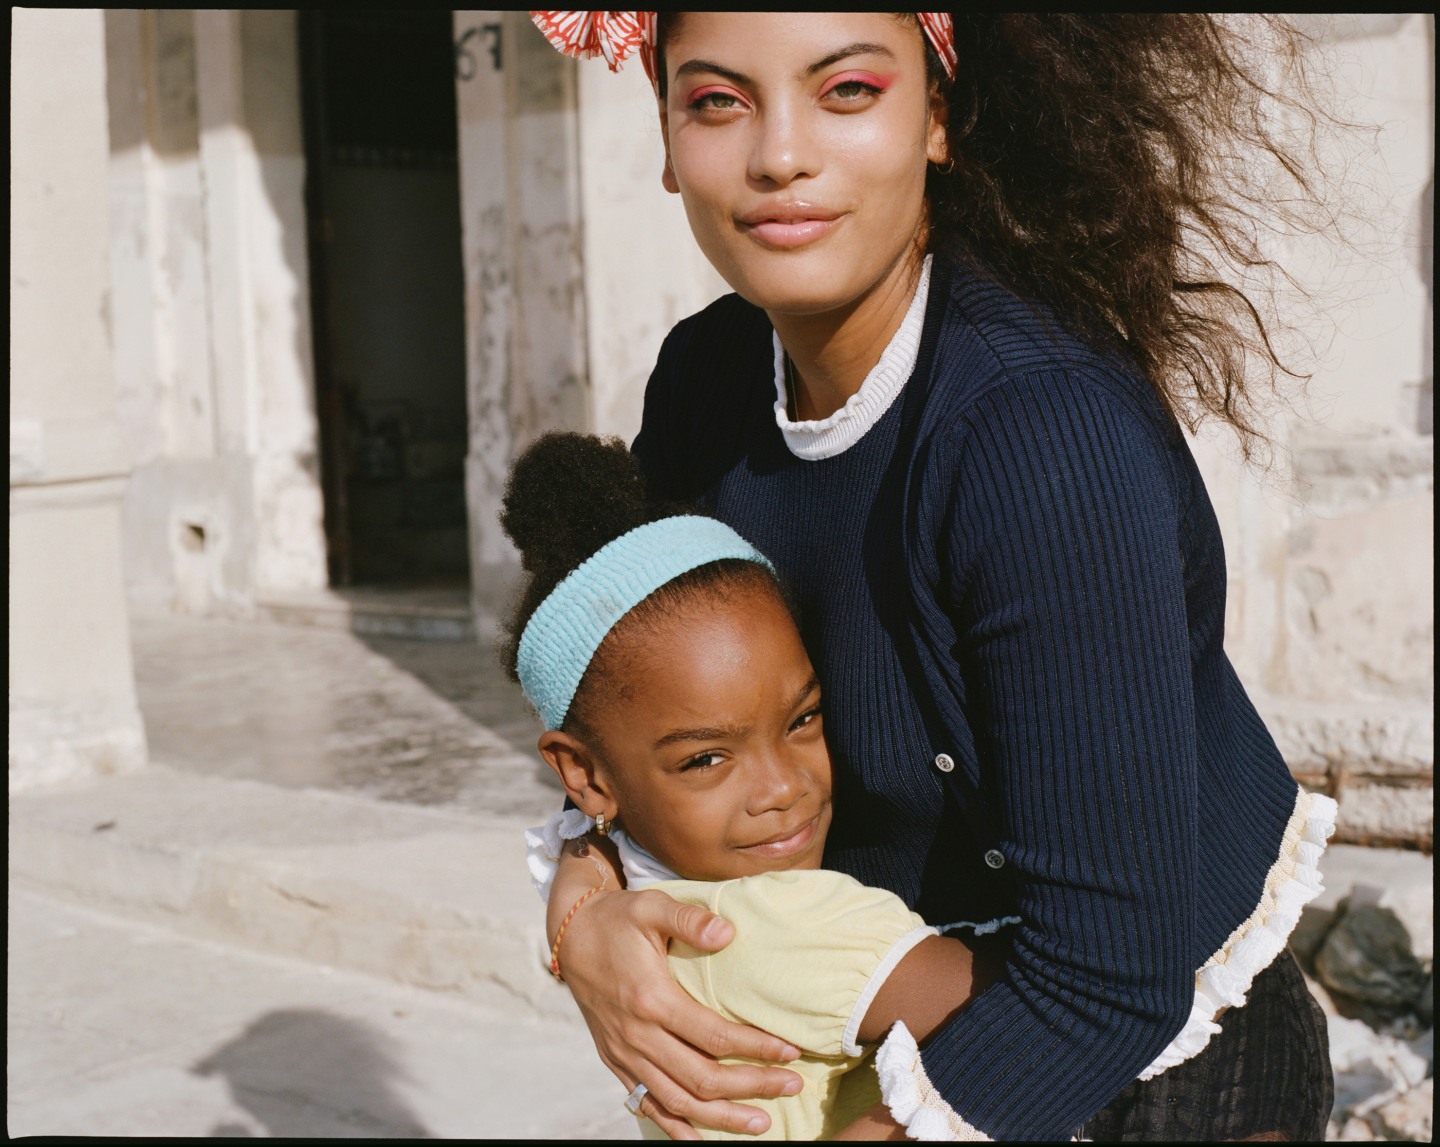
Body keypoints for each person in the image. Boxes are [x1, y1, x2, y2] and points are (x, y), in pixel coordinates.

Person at [526, 12, 1340, 1142]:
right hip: (881, 1029)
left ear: (941, 115)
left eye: (847, 91)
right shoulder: (704, 384)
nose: (779, 154)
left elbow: (1105, 982)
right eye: (717, 101)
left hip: (1149, 1073)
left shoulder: (1037, 438)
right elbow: (636, 702)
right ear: (664, 136)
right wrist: (586, 899)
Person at [504, 431, 1004, 1140]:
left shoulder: (646, 910)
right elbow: (1051, 998)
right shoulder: (774, 920)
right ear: (583, 774)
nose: (782, 787)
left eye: (802, 718)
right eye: (706, 759)